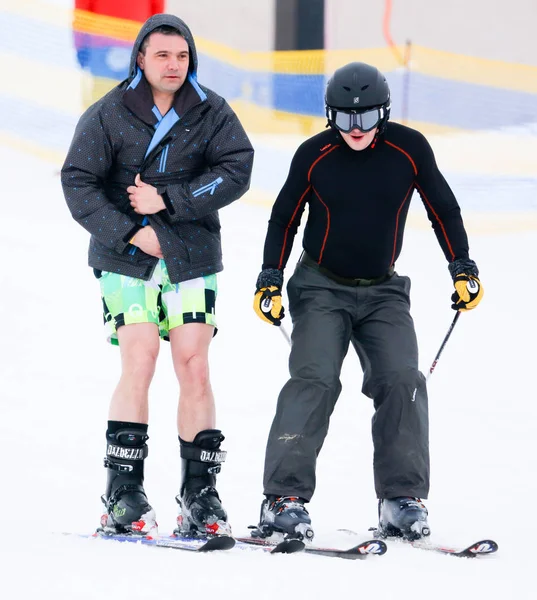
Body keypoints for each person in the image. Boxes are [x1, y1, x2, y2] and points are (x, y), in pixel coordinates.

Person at [251, 62, 483, 542]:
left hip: (383, 290)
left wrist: (462, 266)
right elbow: (284, 217)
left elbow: (443, 207)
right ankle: (283, 499)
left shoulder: (409, 149)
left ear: (386, 112)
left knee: (402, 379)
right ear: (329, 115)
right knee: (315, 378)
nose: (356, 129)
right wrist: (270, 277)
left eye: (367, 117)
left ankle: (401, 499)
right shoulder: (314, 154)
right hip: (320, 285)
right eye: (344, 118)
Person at [62, 14, 254, 538]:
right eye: (162, 55)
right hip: (126, 259)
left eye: (182, 56)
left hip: (192, 255)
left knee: (194, 365)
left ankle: (200, 495)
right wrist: (130, 232)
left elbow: (237, 168)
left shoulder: (212, 112)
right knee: (140, 358)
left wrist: (170, 200)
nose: (173, 65)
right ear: (141, 58)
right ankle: (122, 490)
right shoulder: (108, 114)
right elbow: (78, 182)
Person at [73, 0, 165, 109]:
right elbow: (157, 10)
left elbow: (82, 9)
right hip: (134, 40)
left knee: (101, 99)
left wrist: (81, 45)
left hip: (102, 40)